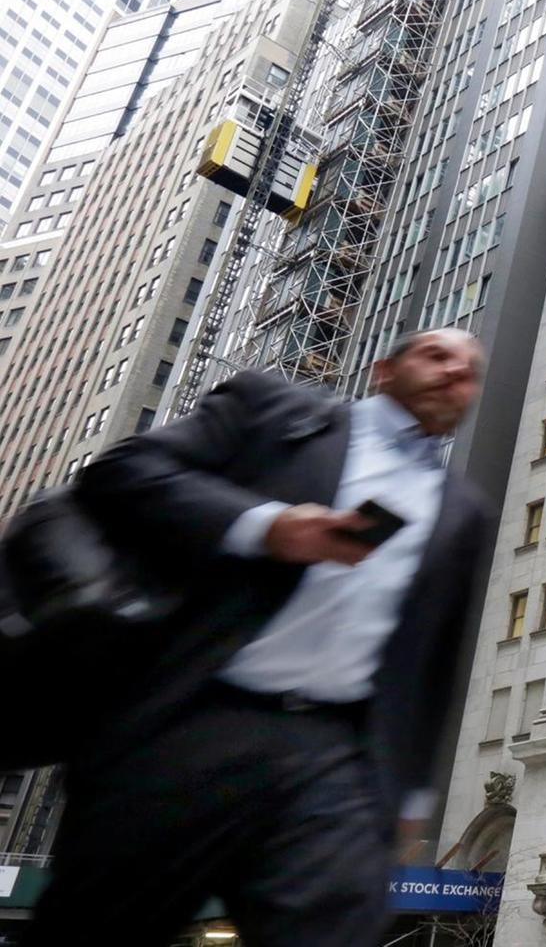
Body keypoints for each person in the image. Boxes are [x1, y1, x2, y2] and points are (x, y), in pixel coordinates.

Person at [27, 328, 494, 947]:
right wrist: (264, 527)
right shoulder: (274, 411)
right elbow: (121, 471)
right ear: (384, 369)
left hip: (333, 758)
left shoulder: (462, 509)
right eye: (436, 355)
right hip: (195, 719)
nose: (452, 374)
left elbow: (432, 665)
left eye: (467, 371)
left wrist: (409, 793)